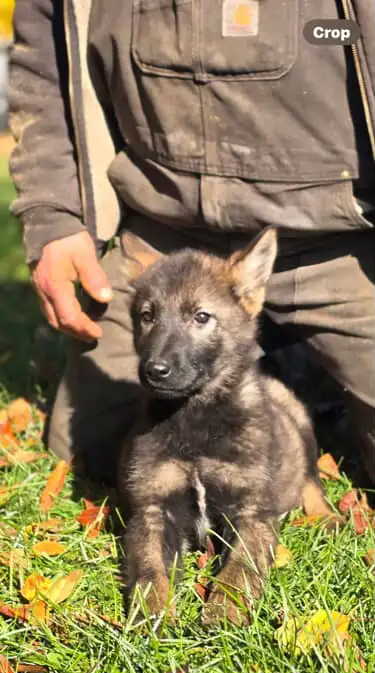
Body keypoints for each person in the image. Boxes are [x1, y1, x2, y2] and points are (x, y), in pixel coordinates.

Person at [8, 0, 375, 484]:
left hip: (337, 236)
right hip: (165, 242)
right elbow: (45, 55)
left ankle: (298, 367)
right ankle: (272, 358)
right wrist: (54, 218)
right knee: (95, 454)